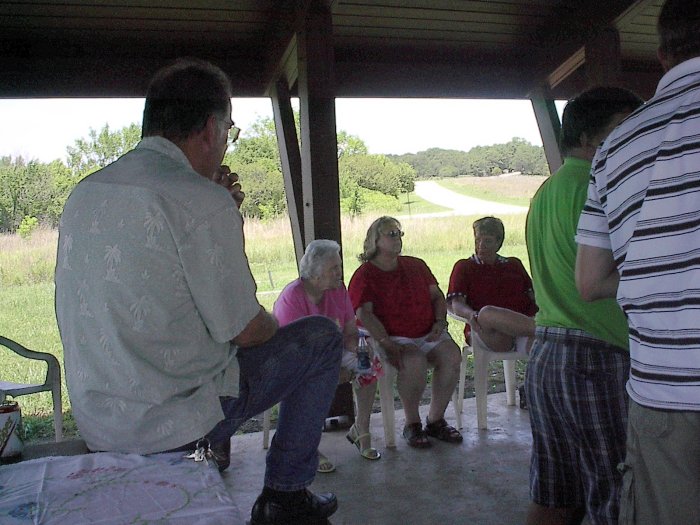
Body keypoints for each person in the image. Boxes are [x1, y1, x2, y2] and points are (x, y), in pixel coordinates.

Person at [54, 58, 343, 525]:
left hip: (99, 419)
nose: (227, 142)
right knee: (322, 339)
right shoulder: (201, 201)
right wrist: (270, 315)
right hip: (170, 422)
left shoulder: (86, 192)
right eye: (229, 130)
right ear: (210, 129)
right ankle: (285, 495)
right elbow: (246, 330)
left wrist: (217, 208)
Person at [575, 2, 700, 523]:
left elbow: (589, 279)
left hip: (663, 389)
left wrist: (656, 267)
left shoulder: (615, 147)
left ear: (663, 54)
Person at [524, 86, 644, 525]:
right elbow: (600, 278)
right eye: (624, 127)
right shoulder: (603, 186)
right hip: (597, 356)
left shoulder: (545, 192)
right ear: (594, 139)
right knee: (613, 493)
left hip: (547, 353)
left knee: (554, 492)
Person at [348, 216, 463, 448]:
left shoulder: (416, 265)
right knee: (414, 361)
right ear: (375, 240)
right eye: (391, 234)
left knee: (452, 355)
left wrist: (440, 322)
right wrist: (385, 342)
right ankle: (412, 423)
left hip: (428, 332)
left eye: (399, 234)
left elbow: (437, 296)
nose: (397, 239)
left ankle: (436, 419)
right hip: (391, 336)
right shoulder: (365, 274)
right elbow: (364, 314)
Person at [274, 239, 381, 472]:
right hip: (297, 359)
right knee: (311, 382)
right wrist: (333, 369)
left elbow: (350, 330)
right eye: (334, 268)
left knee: (368, 364)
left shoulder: (338, 290)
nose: (339, 273)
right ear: (315, 274)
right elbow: (295, 348)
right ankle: (308, 445)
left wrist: (358, 348)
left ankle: (360, 428)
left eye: (339, 267)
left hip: (332, 351)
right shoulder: (293, 297)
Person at [447, 216, 537, 353]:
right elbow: (456, 304)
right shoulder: (464, 267)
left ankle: (542, 331)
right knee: (487, 312)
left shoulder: (513, 265)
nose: (480, 246)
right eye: (478, 240)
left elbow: (533, 296)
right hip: (485, 329)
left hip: (522, 328)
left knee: (538, 347)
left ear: (498, 243)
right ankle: (546, 330)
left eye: (487, 241)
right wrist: (471, 315)